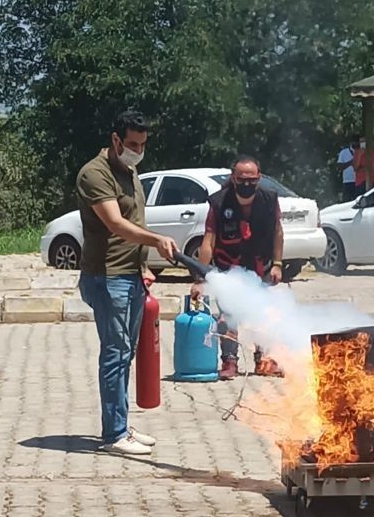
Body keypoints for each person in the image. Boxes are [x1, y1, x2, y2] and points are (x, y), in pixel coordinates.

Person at [75, 110, 179, 457]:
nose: (138, 151)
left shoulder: (130, 172)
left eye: (143, 144)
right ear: (115, 140)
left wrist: (144, 265)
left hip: (131, 276)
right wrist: (157, 241)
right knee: (115, 354)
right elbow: (116, 224)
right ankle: (114, 434)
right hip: (107, 278)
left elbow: (136, 219)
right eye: (132, 144)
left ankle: (120, 424)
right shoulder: (94, 174)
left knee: (125, 353)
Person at [190, 155, 285, 381]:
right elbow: (208, 241)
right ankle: (229, 362)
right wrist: (200, 279)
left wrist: (278, 264)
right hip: (228, 267)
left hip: (260, 265)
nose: (247, 184)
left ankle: (264, 361)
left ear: (259, 178)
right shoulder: (219, 202)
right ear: (233, 178)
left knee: (262, 313)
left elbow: (277, 232)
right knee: (228, 316)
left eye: (251, 180)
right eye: (242, 179)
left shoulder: (269, 199)